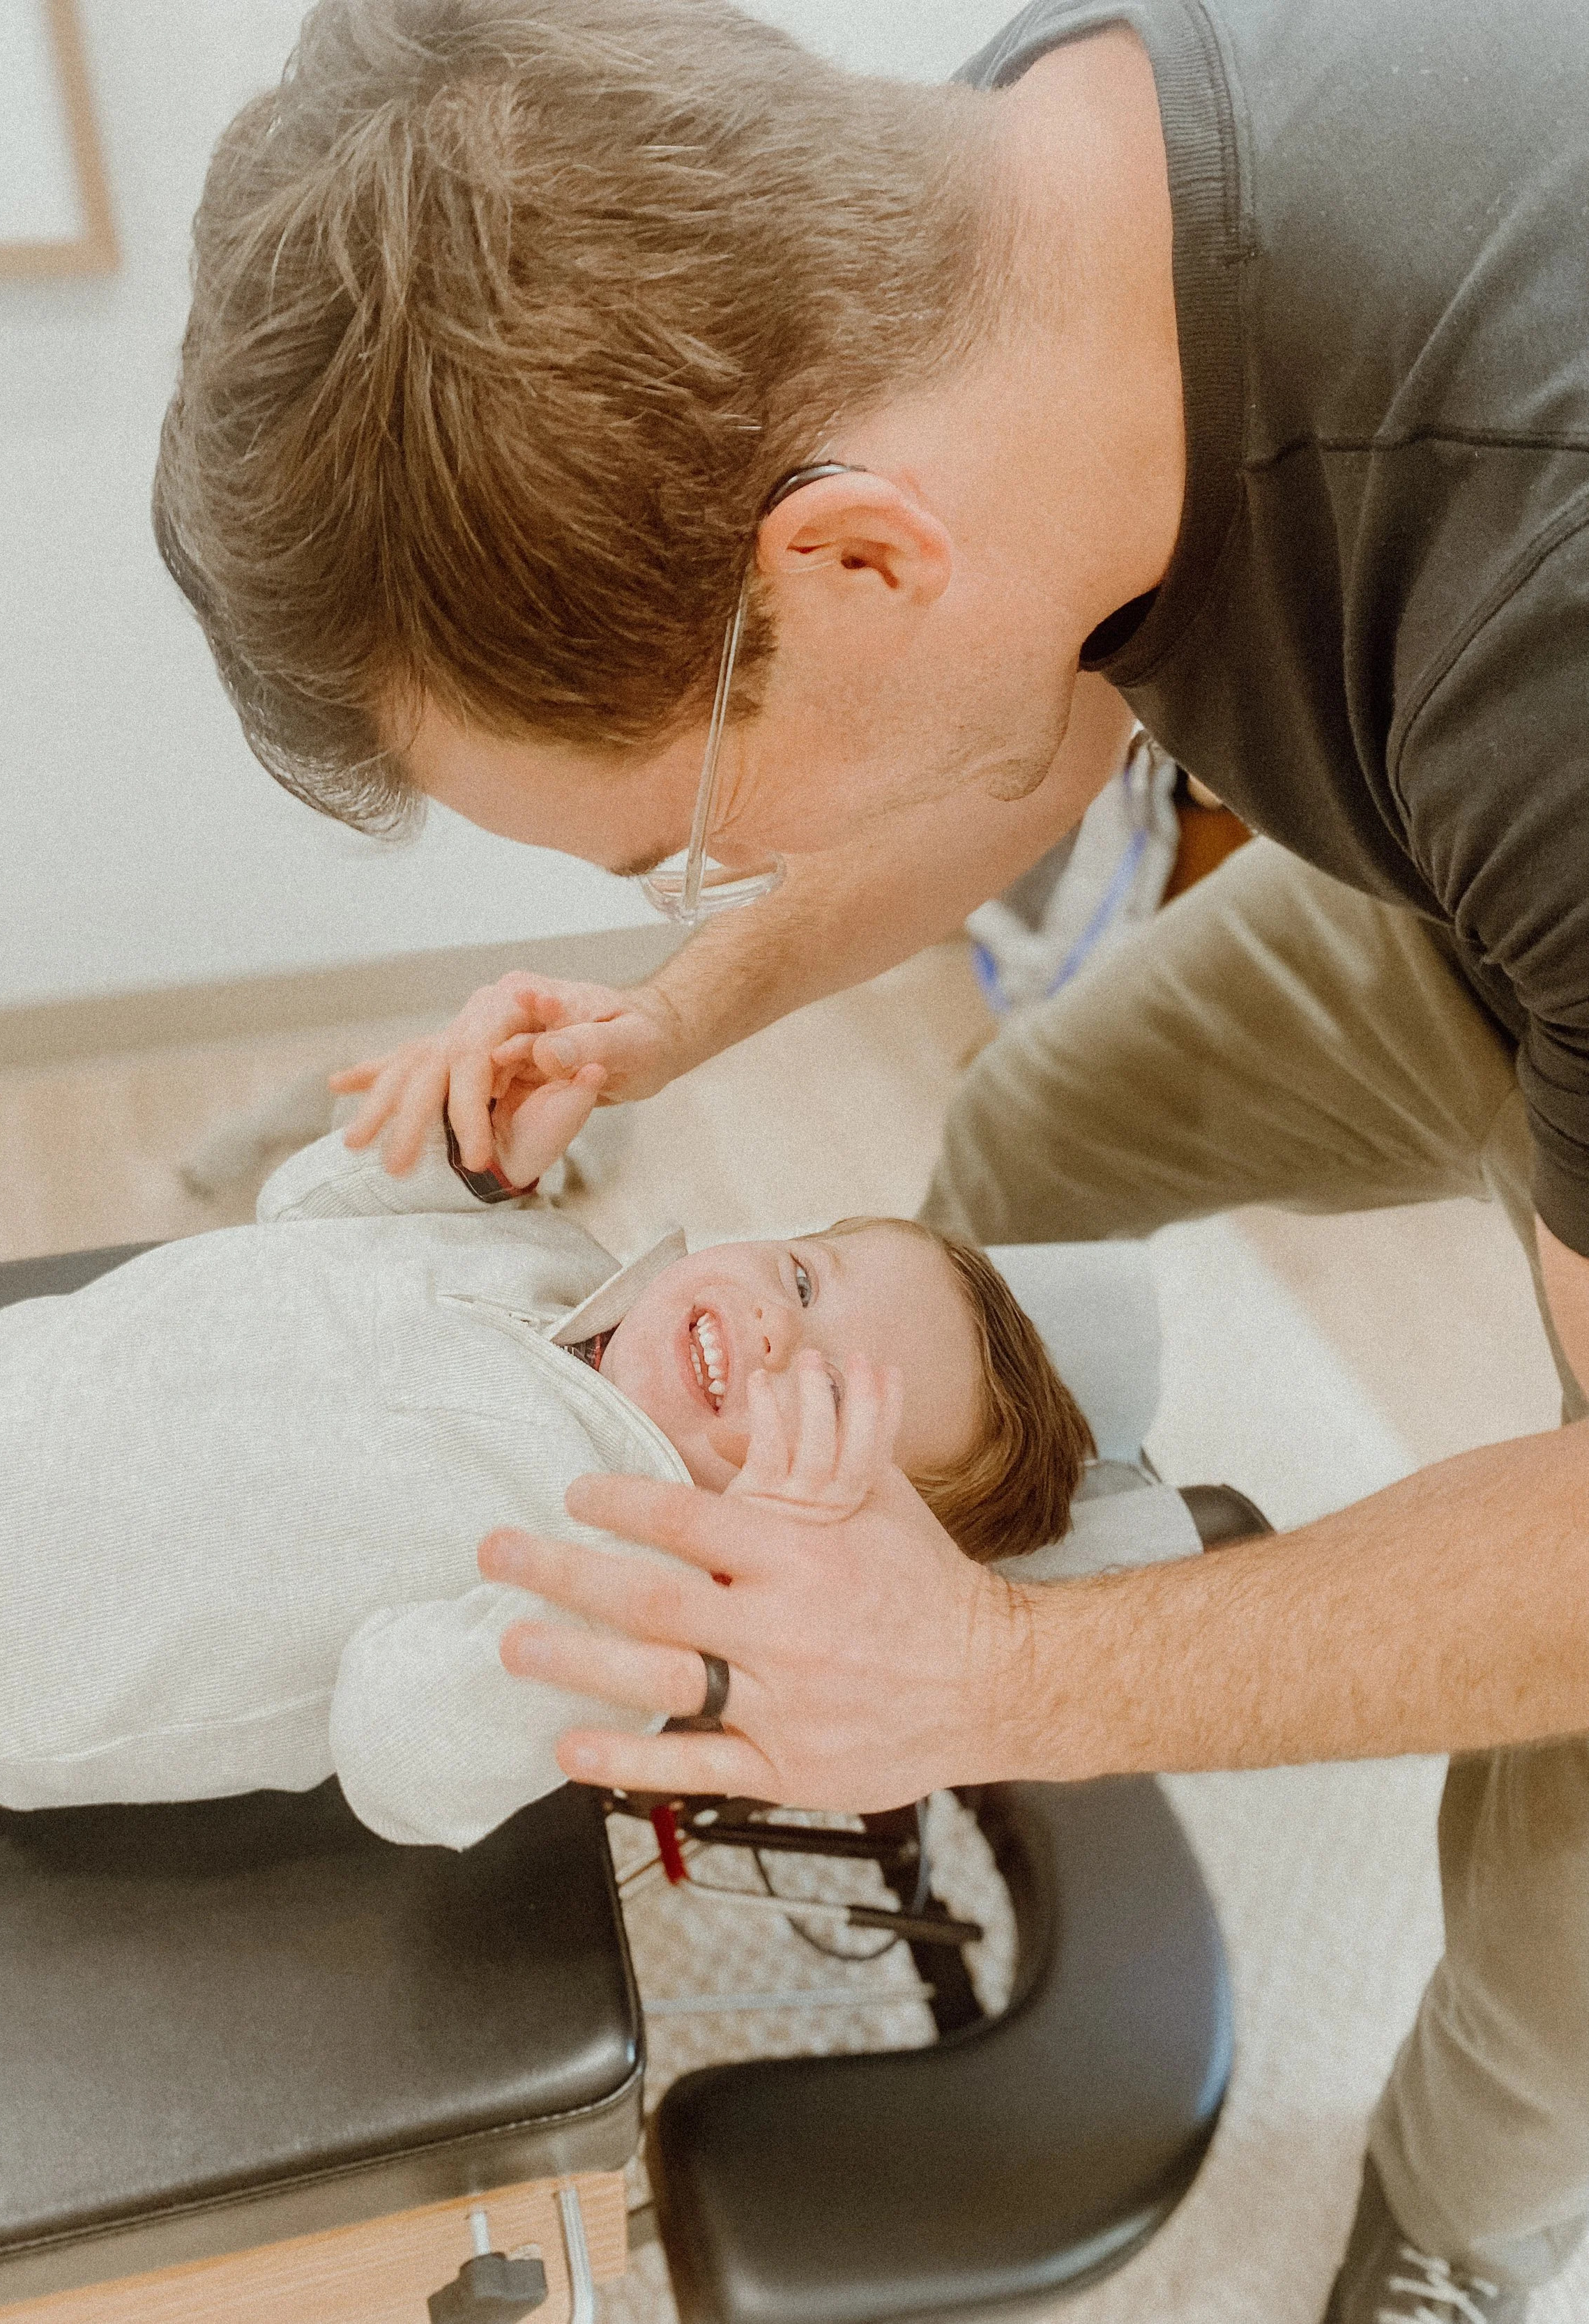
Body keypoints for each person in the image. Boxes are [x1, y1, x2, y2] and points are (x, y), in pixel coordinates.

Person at [151, 1, 1589, 2312]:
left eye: (663, 847)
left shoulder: (1545, 611)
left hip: (1540, 778)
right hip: (1474, 862)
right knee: (1040, 1133)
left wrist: (1000, 1686)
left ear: (850, 567)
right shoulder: (1027, 186)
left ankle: (1477, 2226)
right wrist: (665, 1016)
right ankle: (1040, 1491)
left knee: (1567, 1783)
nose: (672, 891)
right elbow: (1042, 684)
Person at [0, 1063, 1091, 1844]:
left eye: (819, 1396)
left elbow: (404, 1761)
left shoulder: (612, 1605)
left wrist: (677, 1592)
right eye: (805, 1275)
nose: (776, 1325)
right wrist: (462, 1147)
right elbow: (301, 1224)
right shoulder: (552, 1260)